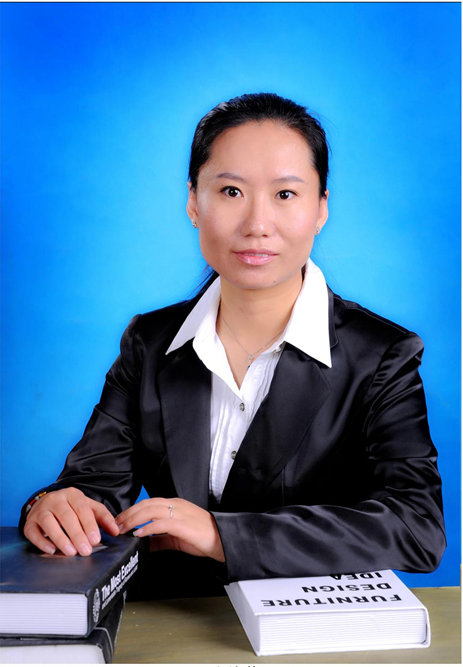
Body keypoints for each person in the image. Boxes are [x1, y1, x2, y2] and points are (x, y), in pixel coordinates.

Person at [21, 93, 445, 597]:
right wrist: (53, 506)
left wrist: (223, 535)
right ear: (193, 203)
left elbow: (417, 526)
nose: (257, 225)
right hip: (169, 618)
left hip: (314, 625)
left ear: (321, 208)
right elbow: (93, 488)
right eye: (230, 191)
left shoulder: (381, 355)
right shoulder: (150, 343)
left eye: (285, 194)